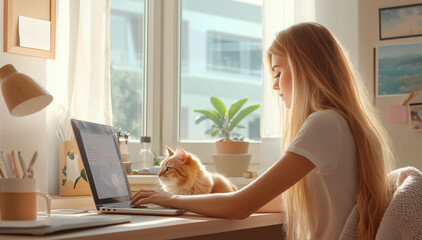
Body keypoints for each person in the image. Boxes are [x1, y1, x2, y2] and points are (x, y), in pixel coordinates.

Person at [131, 22, 394, 240]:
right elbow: (270, 202)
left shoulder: (324, 124)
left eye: (278, 73)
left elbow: (240, 206)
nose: (275, 86)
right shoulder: (344, 124)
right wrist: (195, 199)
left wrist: (171, 199)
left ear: (304, 70)